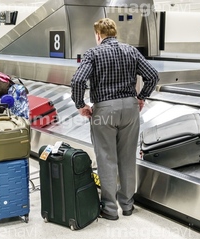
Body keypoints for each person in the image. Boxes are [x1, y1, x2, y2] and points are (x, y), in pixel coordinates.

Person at [70, 18, 159, 220]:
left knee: (106, 158)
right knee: (127, 158)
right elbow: (152, 75)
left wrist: (80, 105)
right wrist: (142, 97)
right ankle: (127, 205)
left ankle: (110, 209)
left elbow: (77, 81)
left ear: (98, 35)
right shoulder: (131, 51)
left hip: (104, 110)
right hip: (130, 108)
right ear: (114, 33)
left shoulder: (93, 53)